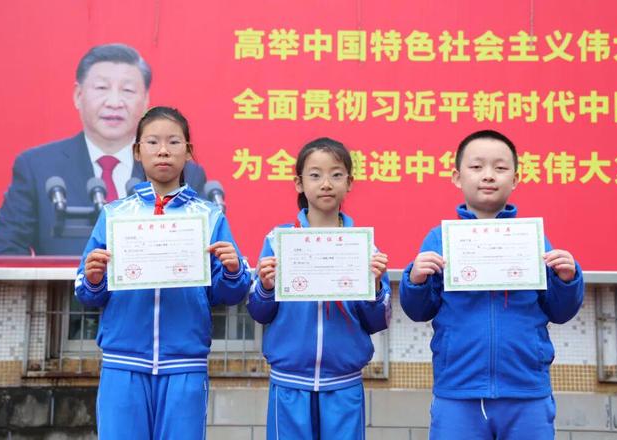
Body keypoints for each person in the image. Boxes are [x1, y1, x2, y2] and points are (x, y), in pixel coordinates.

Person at [74, 107, 250, 439]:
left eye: (174, 142)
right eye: (153, 142)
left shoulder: (210, 217)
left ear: (189, 151)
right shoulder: (115, 215)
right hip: (123, 364)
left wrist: (232, 270)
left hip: (185, 365)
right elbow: (86, 290)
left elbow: (228, 294)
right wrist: (94, 278)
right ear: (137, 151)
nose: (163, 150)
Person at [399, 130, 584, 440]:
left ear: (515, 179)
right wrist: (415, 280)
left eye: (500, 168)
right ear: (457, 177)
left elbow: (559, 311)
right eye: (476, 167)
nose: (488, 175)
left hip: (526, 389)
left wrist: (567, 279)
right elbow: (418, 311)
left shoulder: (533, 239)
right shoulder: (439, 239)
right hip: (458, 389)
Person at [0, 43, 206, 256]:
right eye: (101, 88)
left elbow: (204, 251)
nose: (114, 102)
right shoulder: (38, 168)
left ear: (146, 101)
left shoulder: (182, 172)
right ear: (78, 96)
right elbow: (3, 251)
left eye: (128, 90)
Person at [247, 137, 391, 440]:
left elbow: (377, 321)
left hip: (344, 384)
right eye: (315, 175)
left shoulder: (363, 246)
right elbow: (259, 313)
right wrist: (266, 286)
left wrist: (376, 286)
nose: (326, 183)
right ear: (299, 183)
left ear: (349, 183)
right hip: (289, 382)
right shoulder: (278, 241)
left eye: (336, 175)